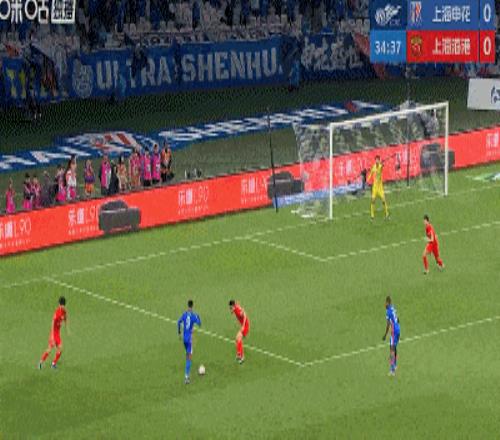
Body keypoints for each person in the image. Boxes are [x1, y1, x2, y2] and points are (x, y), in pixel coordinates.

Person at [38, 296, 69, 370]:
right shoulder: (57, 312)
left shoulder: (64, 311)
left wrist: (67, 328)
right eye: (61, 305)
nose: (62, 306)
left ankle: (53, 364)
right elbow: (52, 323)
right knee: (49, 349)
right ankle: (40, 363)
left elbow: (66, 317)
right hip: (54, 333)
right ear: (59, 304)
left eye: (63, 305)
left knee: (60, 349)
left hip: (57, 334)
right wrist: (52, 336)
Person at [177, 300, 201, 384]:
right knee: (189, 358)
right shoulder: (194, 316)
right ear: (192, 306)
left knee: (187, 354)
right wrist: (198, 317)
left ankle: (187, 372)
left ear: (187, 306)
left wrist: (179, 333)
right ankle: (186, 377)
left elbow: (178, 322)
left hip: (184, 338)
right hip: (189, 339)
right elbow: (199, 324)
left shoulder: (184, 314)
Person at [382, 296, 400, 376]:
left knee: (391, 349)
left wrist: (385, 335)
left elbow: (388, 324)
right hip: (398, 328)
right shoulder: (393, 308)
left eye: (385, 302)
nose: (384, 304)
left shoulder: (388, 311)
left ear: (388, 302)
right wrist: (397, 327)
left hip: (393, 330)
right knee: (394, 347)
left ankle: (392, 370)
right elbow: (398, 319)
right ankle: (395, 365)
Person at [367, 155, 389, 220]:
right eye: (376, 160)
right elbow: (371, 174)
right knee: (373, 200)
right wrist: (368, 179)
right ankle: (372, 215)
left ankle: (387, 213)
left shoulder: (380, 166)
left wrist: (382, 165)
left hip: (380, 187)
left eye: (378, 160)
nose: (377, 161)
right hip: (375, 187)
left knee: (383, 200)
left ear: (379, 160)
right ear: (375, 160)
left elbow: (382, 167)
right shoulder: (373, 167)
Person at [229, 300, 250, 364]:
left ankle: (242, 356)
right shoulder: (235, 307)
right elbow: (237, 304)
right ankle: (239, 354)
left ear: (233, 305)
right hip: (244, 326)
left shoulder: (238, 310)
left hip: (245, 326)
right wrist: (233, 311)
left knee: (238, 338)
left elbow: (245, 315)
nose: (230, 309)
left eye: (231, 307)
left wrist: (243, 325)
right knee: (237, 339)